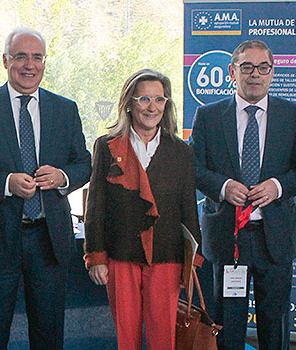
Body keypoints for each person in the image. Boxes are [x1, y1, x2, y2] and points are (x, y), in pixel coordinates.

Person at [0, 27, 91, 350]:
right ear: (5, 60)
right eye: (21, 57)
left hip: (48, 239)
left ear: (44, 62)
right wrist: (6, 184)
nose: (30, 65)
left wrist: (62, 177)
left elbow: (84, 164)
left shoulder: (65, 109)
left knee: (49, 335)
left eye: (37, 57)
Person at [190, 40, 296, 350]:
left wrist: (277, 186)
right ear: (232, 72)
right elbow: (193, 168)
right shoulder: (209, 116)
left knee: (275, 324)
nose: (255, 74)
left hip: (274, 236)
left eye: (263, 67)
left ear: (272, 72)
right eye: (247, 67)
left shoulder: (292, 115)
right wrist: (224, 187)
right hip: (228, 238)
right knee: (227, 324)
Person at [83, 69, 202, 350]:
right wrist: (95, 256)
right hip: (120, 256)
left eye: (159, 100)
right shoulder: (107, 146)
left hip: (167, 258)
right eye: (144, 99)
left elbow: (188, 209)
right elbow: (95, 206)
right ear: (129, 103)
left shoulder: (181, 151)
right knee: (127, 336)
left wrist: (191, 265)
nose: (152, 107)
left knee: (163, 337)